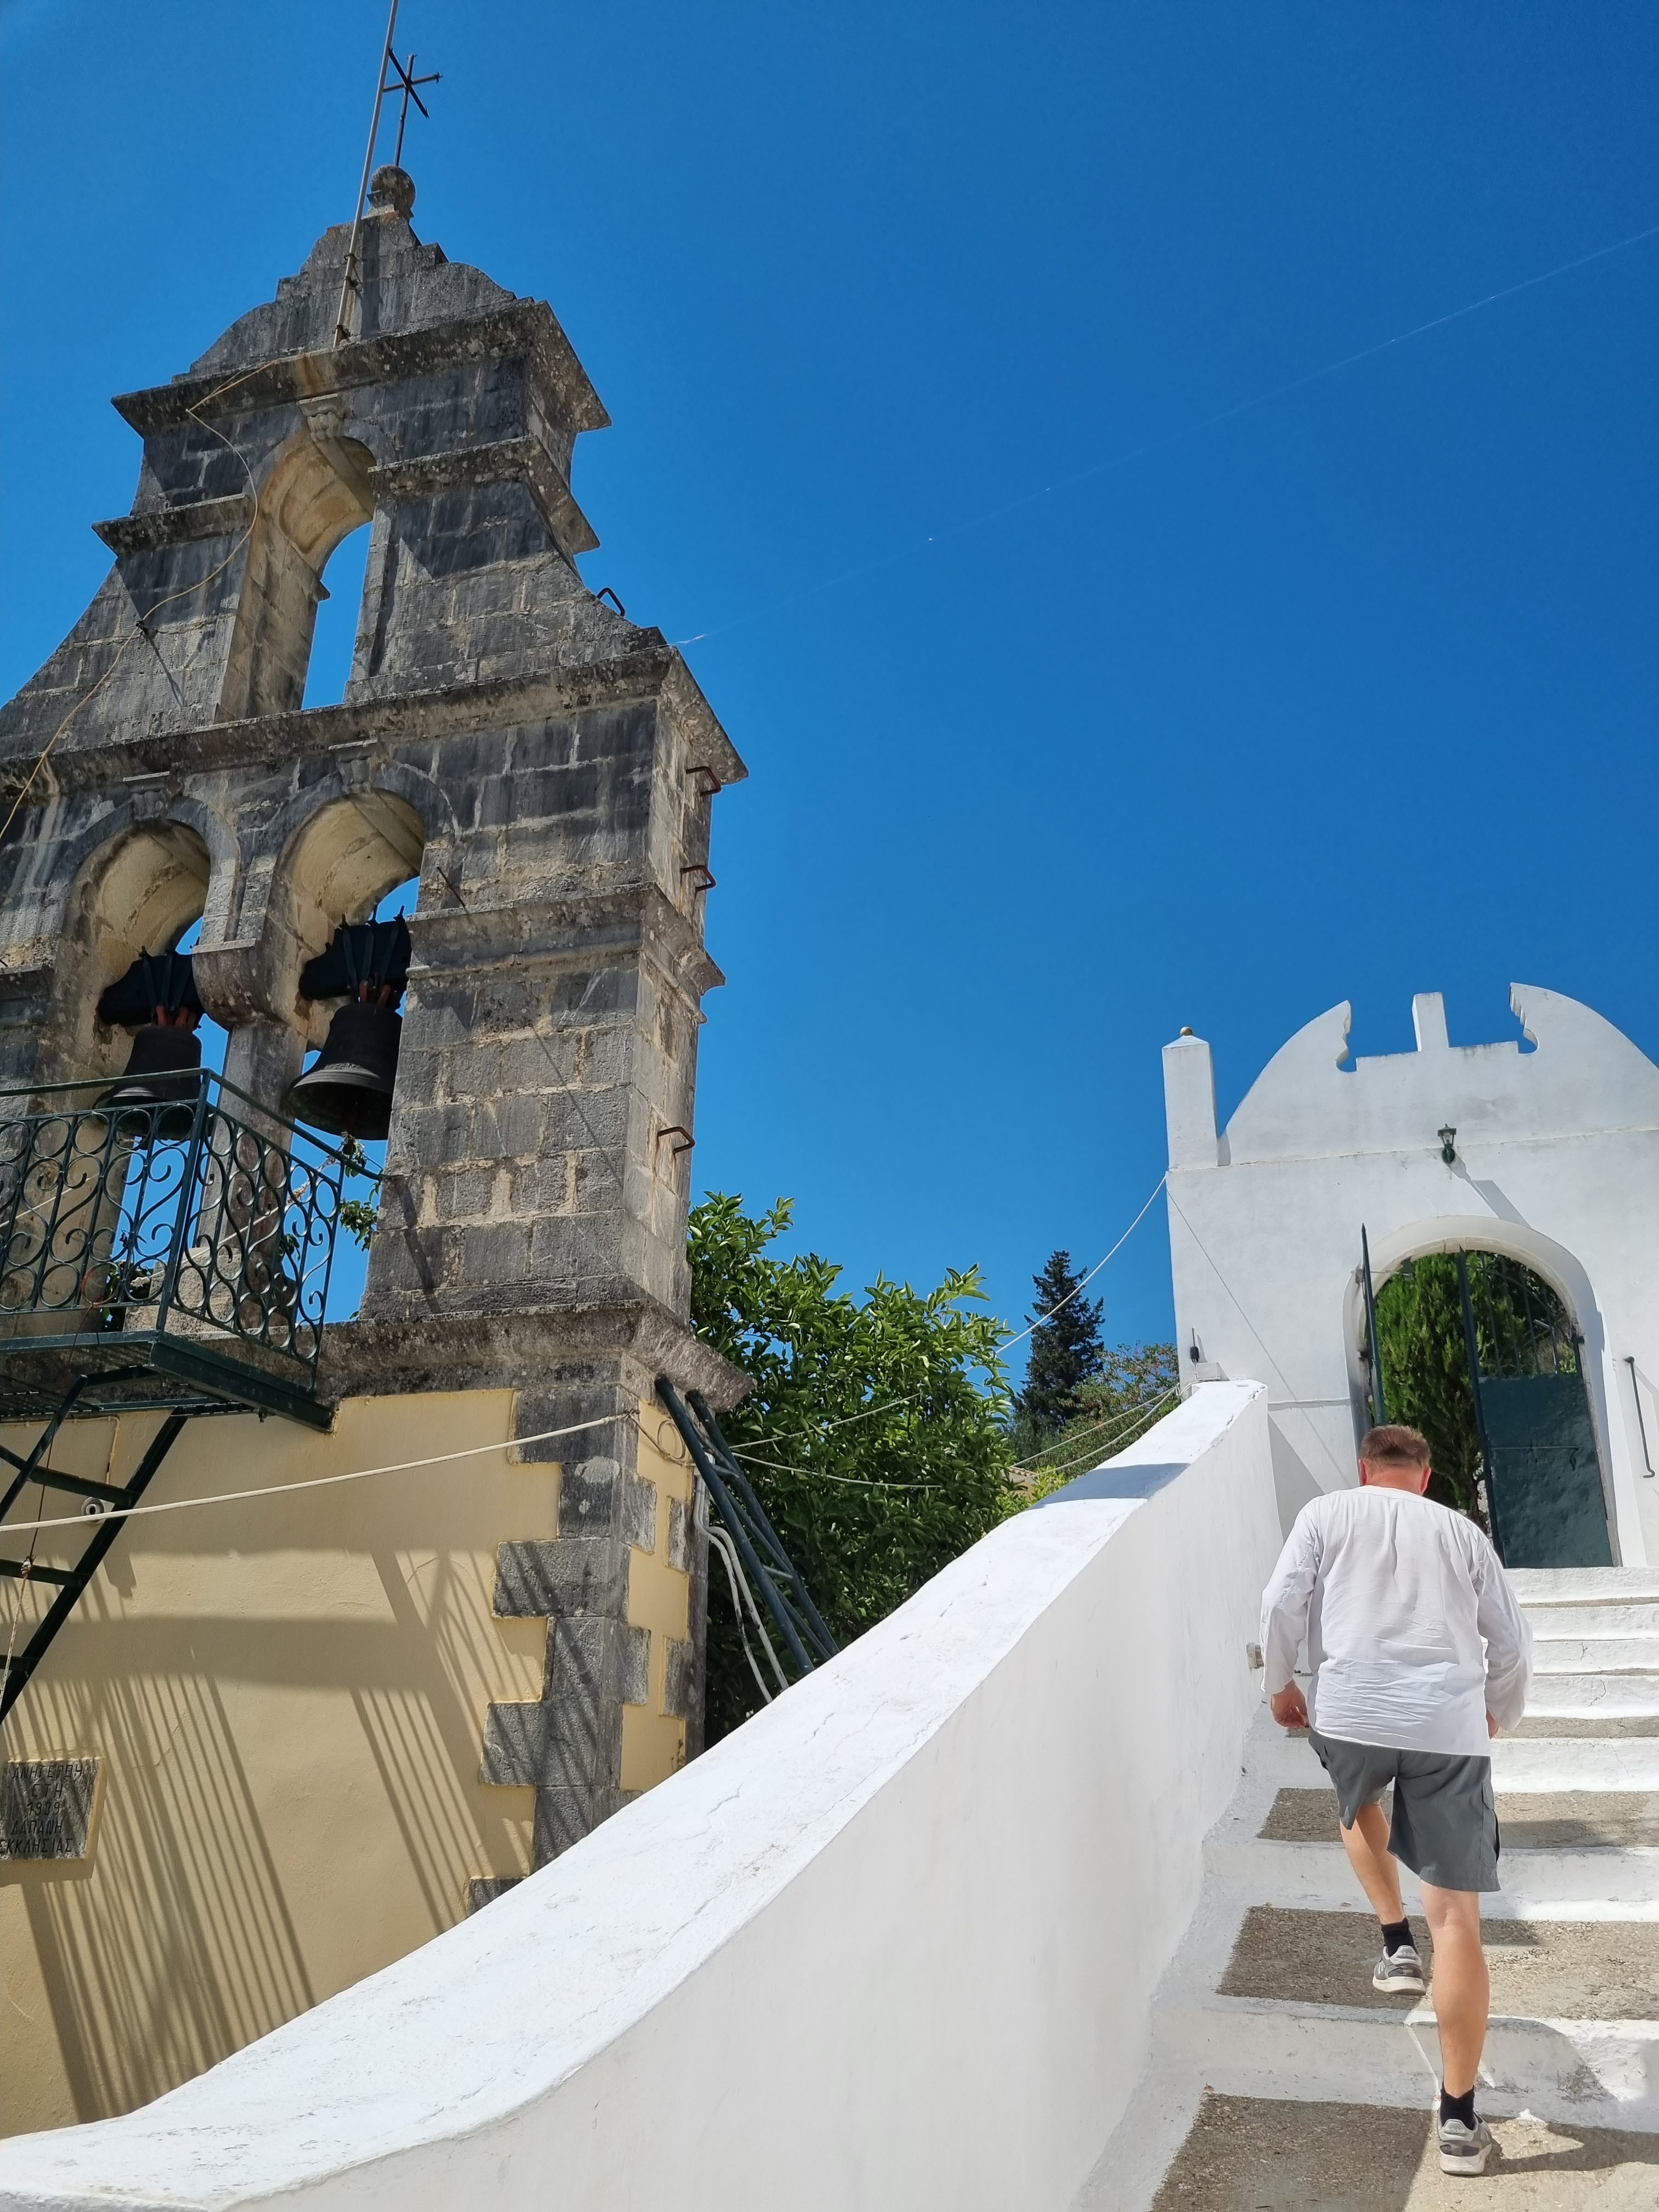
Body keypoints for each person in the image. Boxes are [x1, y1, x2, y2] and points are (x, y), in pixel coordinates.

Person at [1260, 1423, 1531, 2179]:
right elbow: (1512, 1642)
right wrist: (1498, 1712)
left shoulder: (1325, 1513)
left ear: (1363, 1469)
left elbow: (1281, 1601)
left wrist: (1280, 1684)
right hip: (1447, 1722)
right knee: (1458, 1919)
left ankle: (1394, 1943)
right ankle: (1459, 2121)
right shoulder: (1460, 1531)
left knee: (1356, 1802)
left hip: (1352, 1708)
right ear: (1426, 1475)